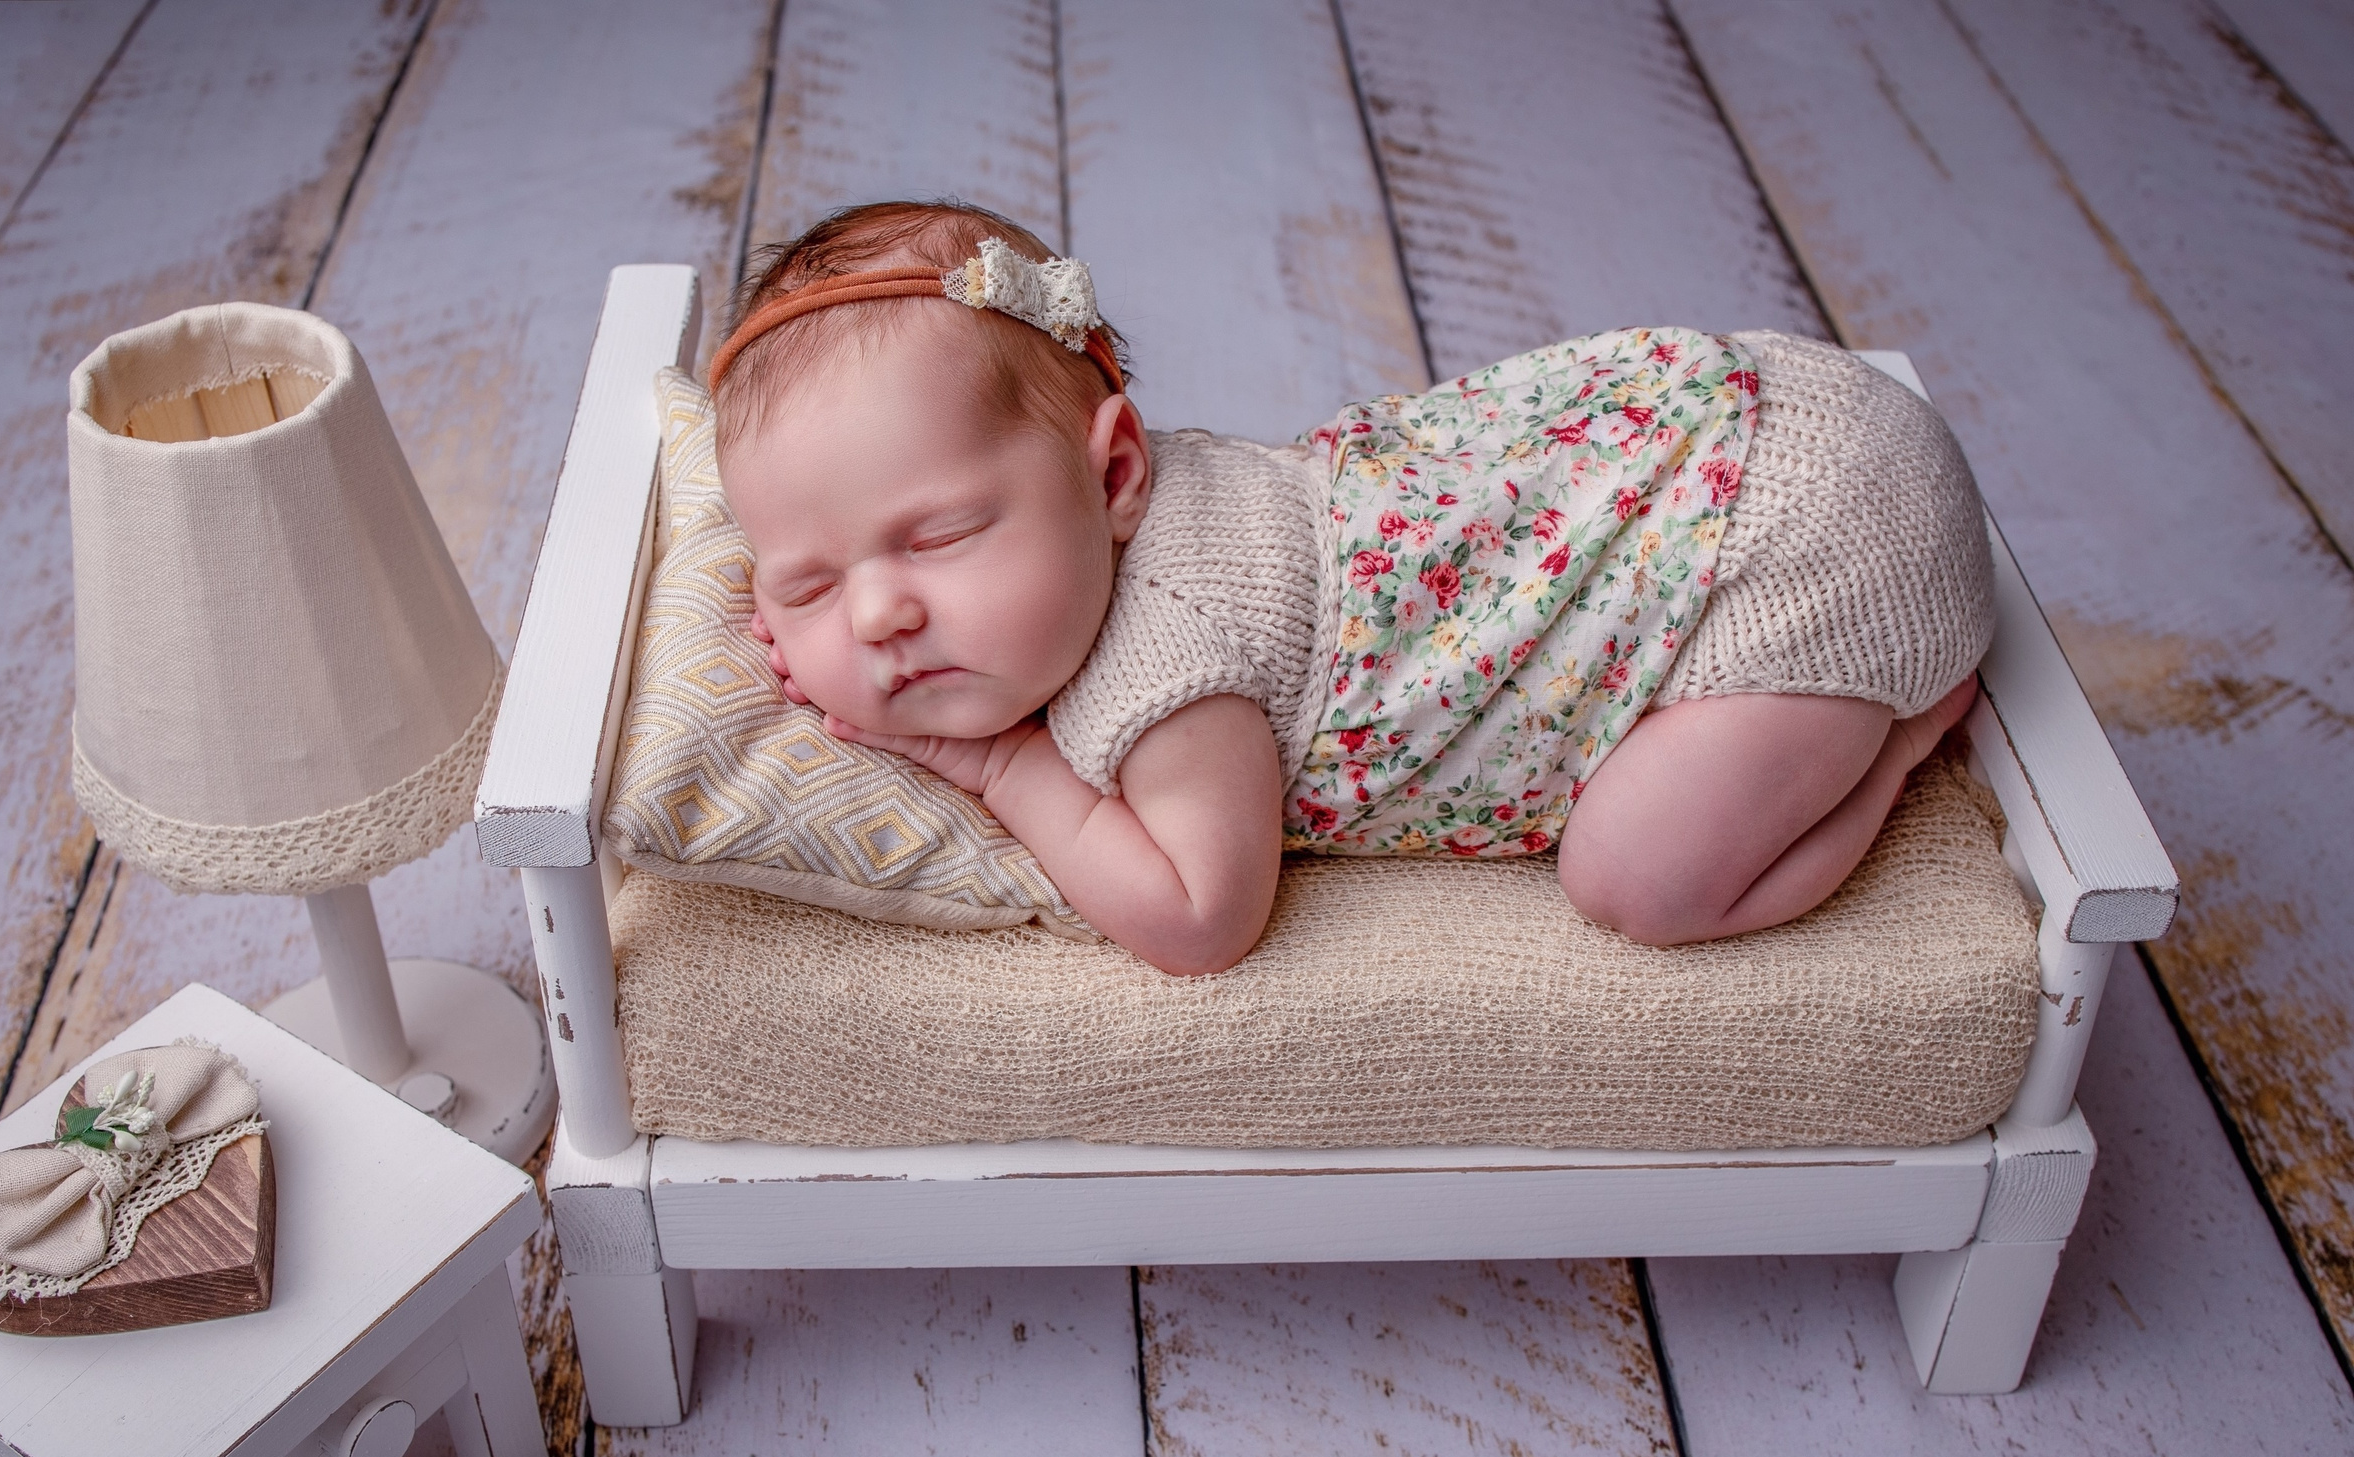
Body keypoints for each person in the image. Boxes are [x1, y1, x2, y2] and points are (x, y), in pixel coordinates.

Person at [710, 202, 1992, 975]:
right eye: (810, 584)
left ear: (1115, 476)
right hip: (1702, 428)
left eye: (941, 536)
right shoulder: (1121, 525)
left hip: (1797, 540)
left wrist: (1004, 771)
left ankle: (1899, 728)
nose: (877, 615)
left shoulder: (1171, 672)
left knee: (1638, 881)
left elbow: (1203, 916)